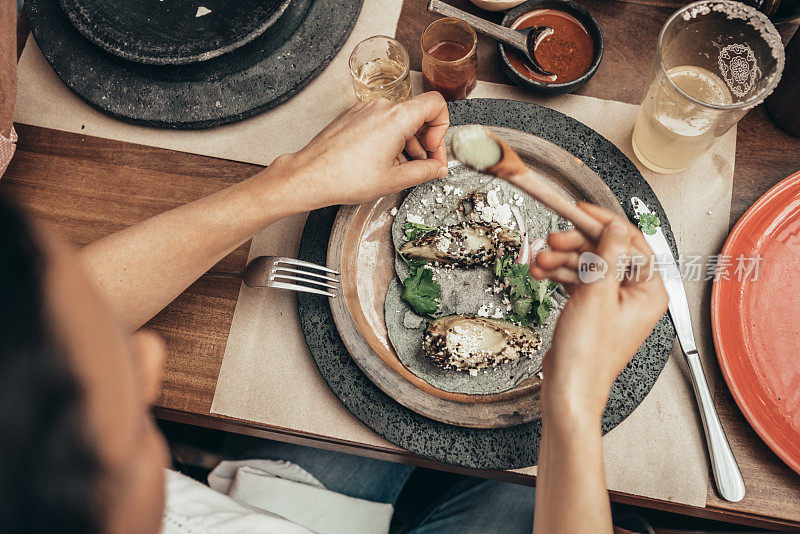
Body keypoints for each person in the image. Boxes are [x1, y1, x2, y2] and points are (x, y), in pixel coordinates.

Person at [0, 2, 668, 532]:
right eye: (100, 412)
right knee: (526, 503)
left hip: (275, 500)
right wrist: (573, 406)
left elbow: (37, 324)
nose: (148, 356)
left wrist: (287, 184)